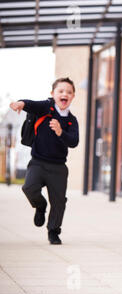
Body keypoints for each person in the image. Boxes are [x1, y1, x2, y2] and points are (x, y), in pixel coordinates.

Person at [9, 77, 79, 245]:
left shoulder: (72, 120)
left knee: (59, 201)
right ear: (52, 94)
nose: (65, 94)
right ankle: (40, 206)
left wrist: (61, 132)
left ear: (73, 96)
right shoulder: (45, 108)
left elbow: (74, 142)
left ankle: (53, 231)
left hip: (59, 167)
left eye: (69, 92)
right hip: (38, 162)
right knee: (29, 188)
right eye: (60, 91)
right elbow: (30, 104)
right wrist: (20, 103)